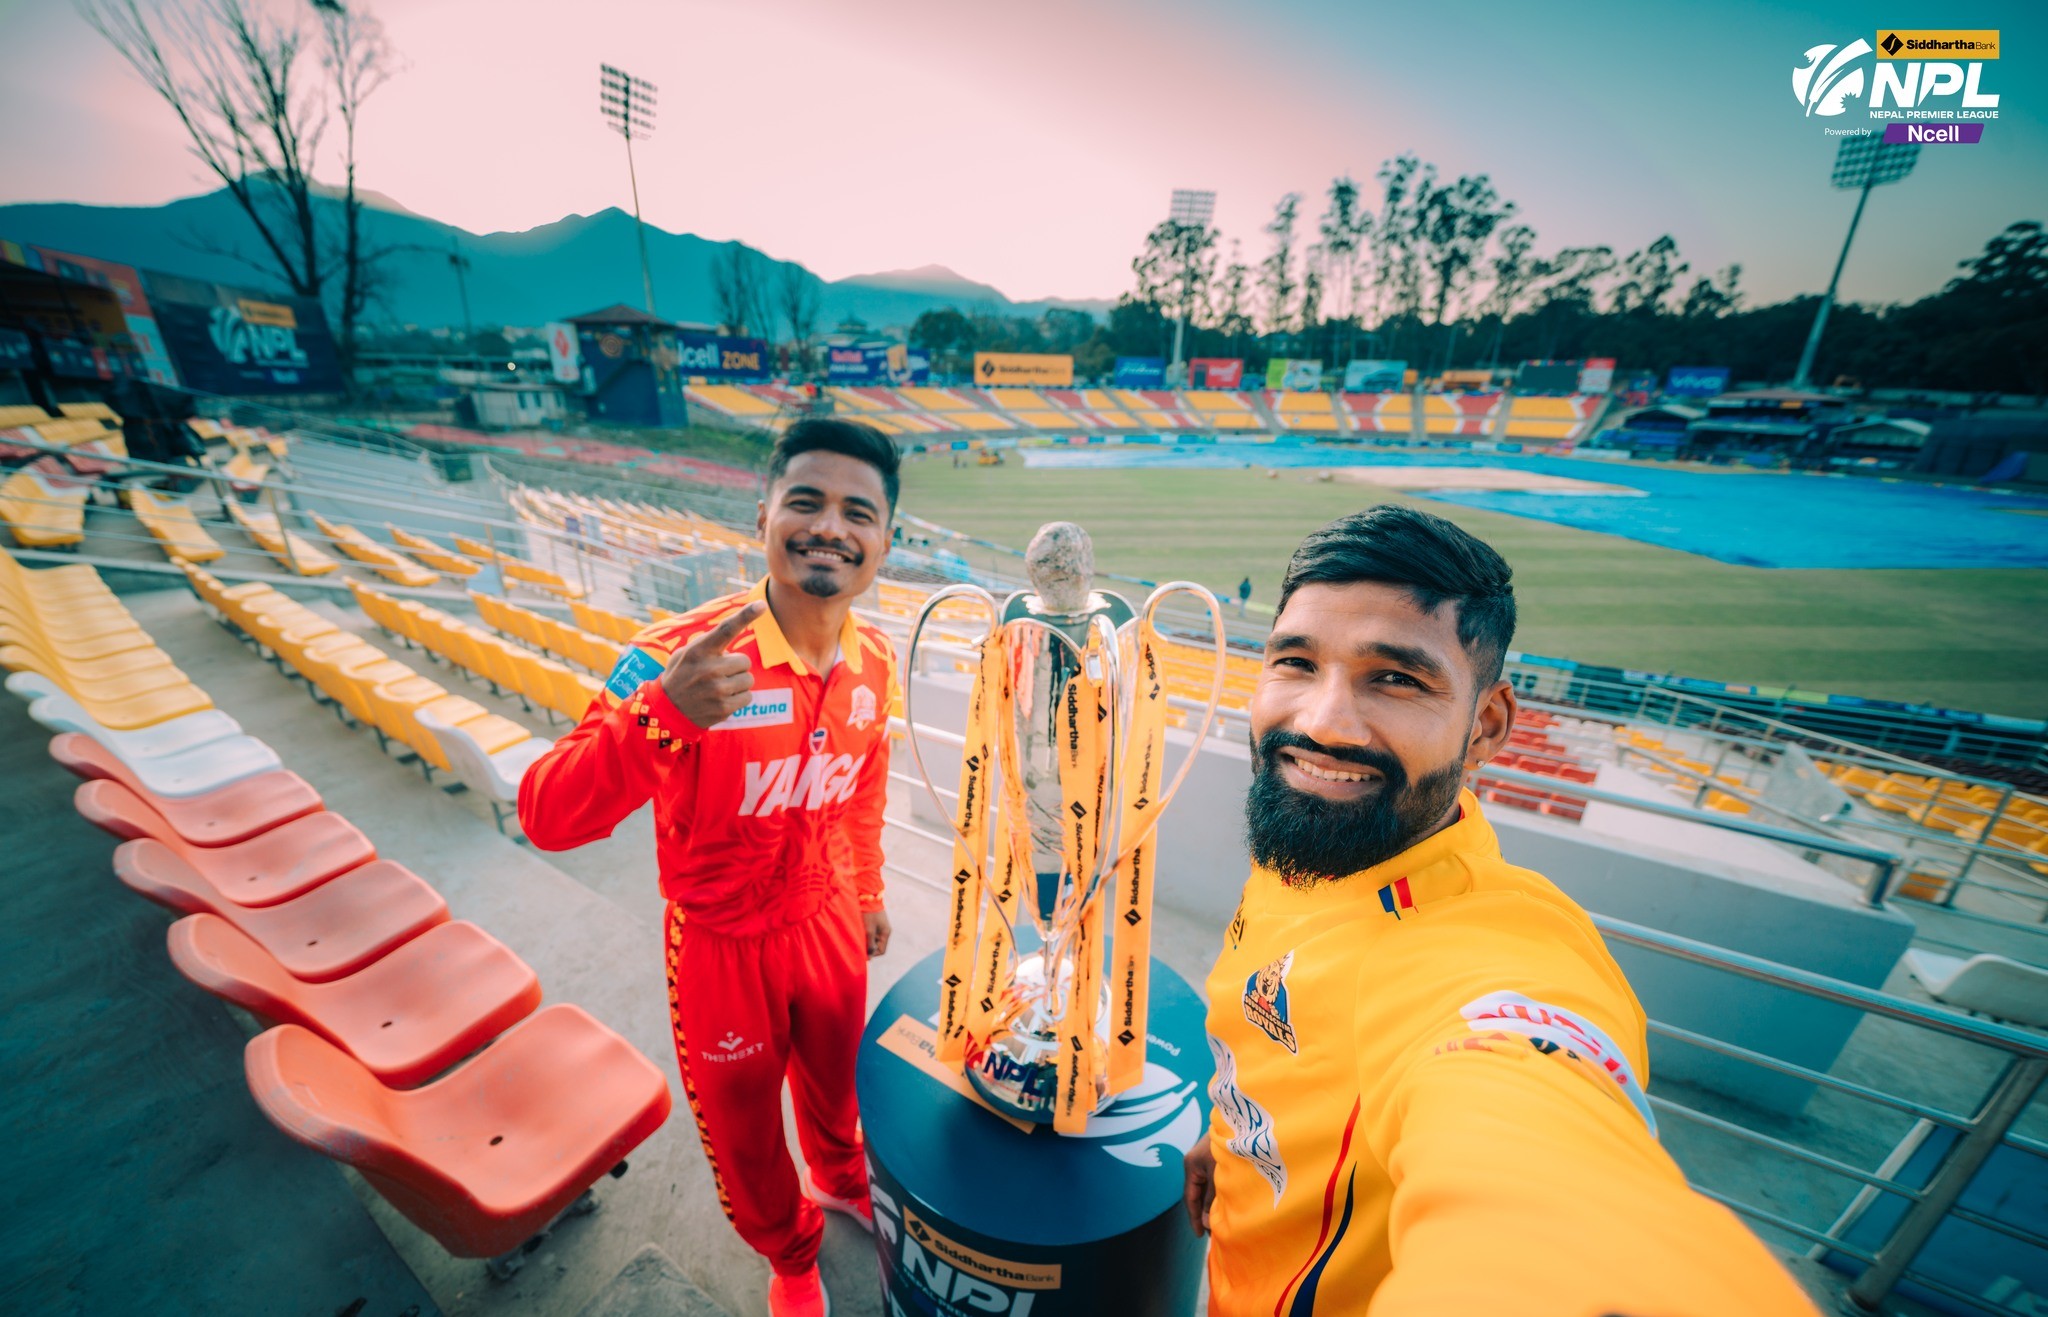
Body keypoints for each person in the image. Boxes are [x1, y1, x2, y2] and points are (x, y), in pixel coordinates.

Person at [1182, 505, 1819, 1316]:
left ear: (1485, 725)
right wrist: (1232, 1137)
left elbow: (1544, 1167)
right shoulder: (1315, 836)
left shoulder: (1495, 951)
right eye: (1296, 662)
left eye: (1396, 678)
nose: (1321, 723)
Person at [519, 418, 902, 1317]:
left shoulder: (876, 659)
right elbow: (546, 813)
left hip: (828, 923)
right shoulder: (678, 657)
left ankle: (841, 1179)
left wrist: (867, 889)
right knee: (744, 1134)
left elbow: (862, 788)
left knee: (838, 1088)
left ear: (886, 539)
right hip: (722, 947)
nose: (829, 527)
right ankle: (792, 1255)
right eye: (805, 501)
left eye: (858, 512)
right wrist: (661, 715)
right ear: (762, 514)